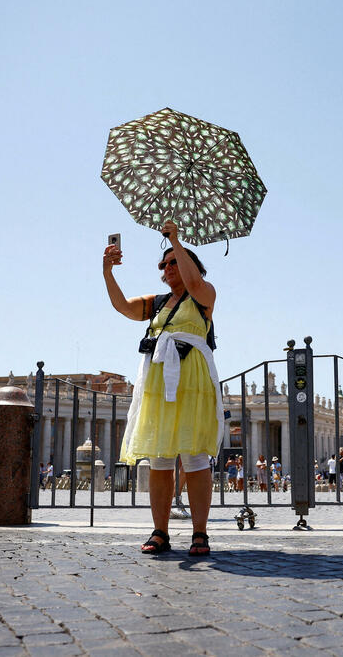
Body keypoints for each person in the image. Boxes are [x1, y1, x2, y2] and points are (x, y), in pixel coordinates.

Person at [106, 220, 220, 557]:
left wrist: (175, 240)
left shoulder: (204, 294)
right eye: (164, 263)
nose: (168, 267)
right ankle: (160, 531)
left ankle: (200, 532)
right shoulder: (157, 303)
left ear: (189, 264)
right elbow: (124, 307)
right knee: (159, 458)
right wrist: (107, 272)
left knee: (195, 457)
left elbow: (194, 280)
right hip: (158, 381)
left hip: (193, 381)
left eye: (175, 262)